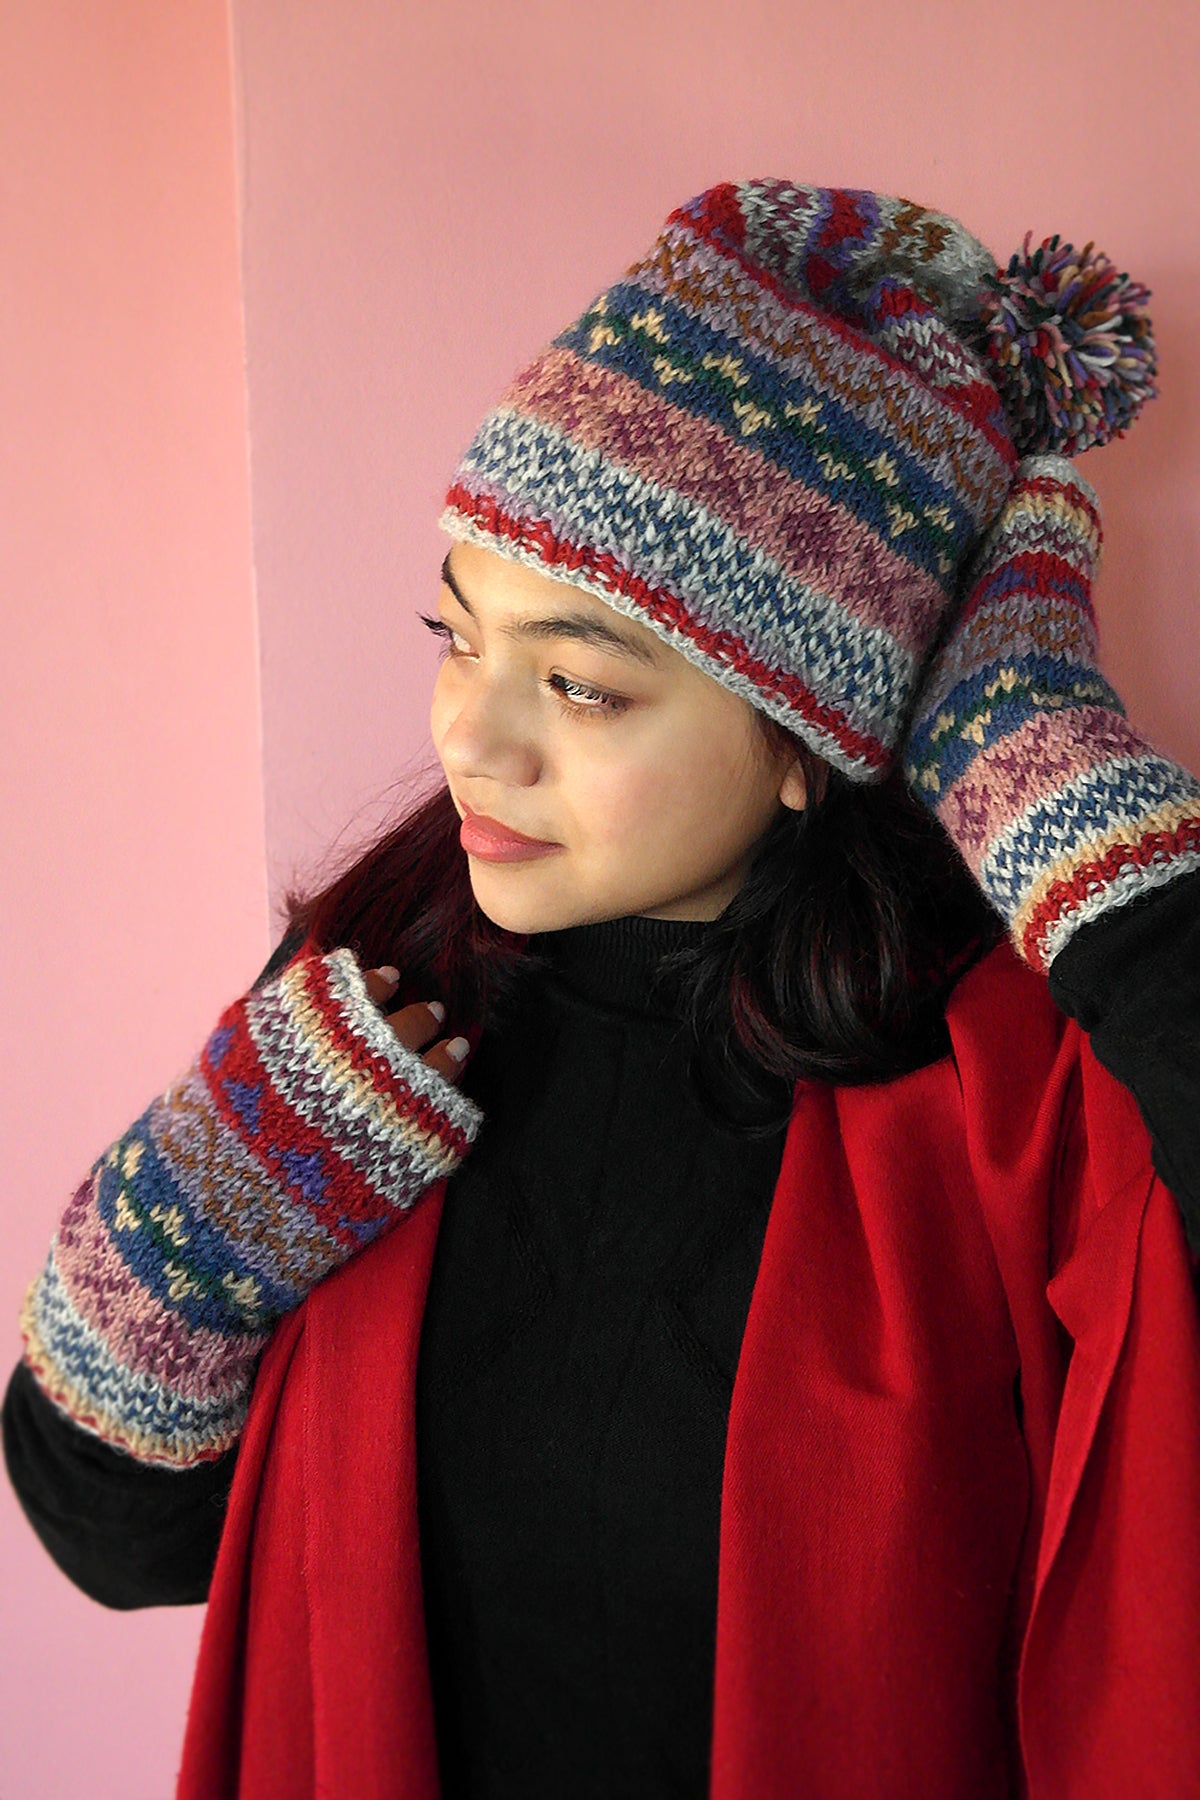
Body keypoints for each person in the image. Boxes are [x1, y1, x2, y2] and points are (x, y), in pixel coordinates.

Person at [6, 179, 1200, 1799]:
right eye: (457, 635)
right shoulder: (384, 994)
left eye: (578, 684)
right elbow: (123, 1546)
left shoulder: (998, 1087)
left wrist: (1044, 768)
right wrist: (186, 1246)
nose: (471, 739)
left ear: (809, 737)